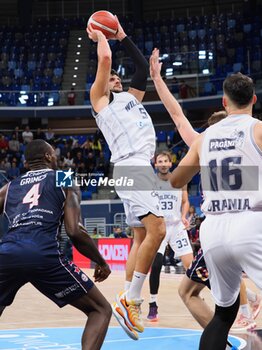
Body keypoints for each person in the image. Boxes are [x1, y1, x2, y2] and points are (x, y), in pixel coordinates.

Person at [150, 48, 260, 333]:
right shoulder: (253, 130)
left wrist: (157, 80)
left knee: (198, 296)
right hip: (247, 223)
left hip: (217, 228)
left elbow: (176, 114)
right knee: (200, 291)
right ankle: (250, 307)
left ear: (225, 104)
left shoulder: (204, 140)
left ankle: (245, 312)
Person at [87, 18, 165, 340]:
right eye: (111, 78)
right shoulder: (100, 101)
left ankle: (128, 297)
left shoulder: (132, 98)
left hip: (138, 167)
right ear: (104, 84)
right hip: (131, 166)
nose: (116, 78)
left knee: (139, 236)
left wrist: (122, 35)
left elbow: (139, 69)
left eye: (119, 77)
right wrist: (99, 35)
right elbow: (105, 61)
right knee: (158, 230)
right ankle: (131, 299)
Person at [0, 139, 112, 350]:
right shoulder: (65, 178)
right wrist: (101, 261)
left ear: (26, 163)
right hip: (42, 253)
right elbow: (74, 231)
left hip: (7, 253)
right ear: (49, 157)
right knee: (101, 309)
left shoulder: (10, 187)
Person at [147, 151, 193, 321]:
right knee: (157, 264)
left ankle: (196, 295)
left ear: (170, 163)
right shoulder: (151, 181)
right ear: (156, 164)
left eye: (166, 160)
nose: (164, 163)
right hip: (159, 227)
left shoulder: (180, 179)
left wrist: (184, 215)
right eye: (160, 161)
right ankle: (153, 304)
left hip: (176, 227)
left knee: (191, 266)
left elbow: (185, 201)